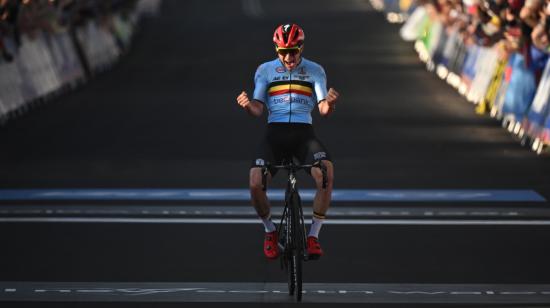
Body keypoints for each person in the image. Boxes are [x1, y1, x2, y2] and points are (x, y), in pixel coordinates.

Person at [236, 23, 339, 260]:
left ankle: (313, 236)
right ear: (276, 50)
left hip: (304, 134)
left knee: (326, 174)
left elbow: (323, 109)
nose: (289, 56)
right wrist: (247, 106)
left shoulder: (315, 70)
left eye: (294, 50)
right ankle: (270, 232)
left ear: (301, 47)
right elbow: (257, 110)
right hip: (276, 134)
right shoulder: (265, 70)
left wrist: (330, 103)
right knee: (254, 183)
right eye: (283, 51)